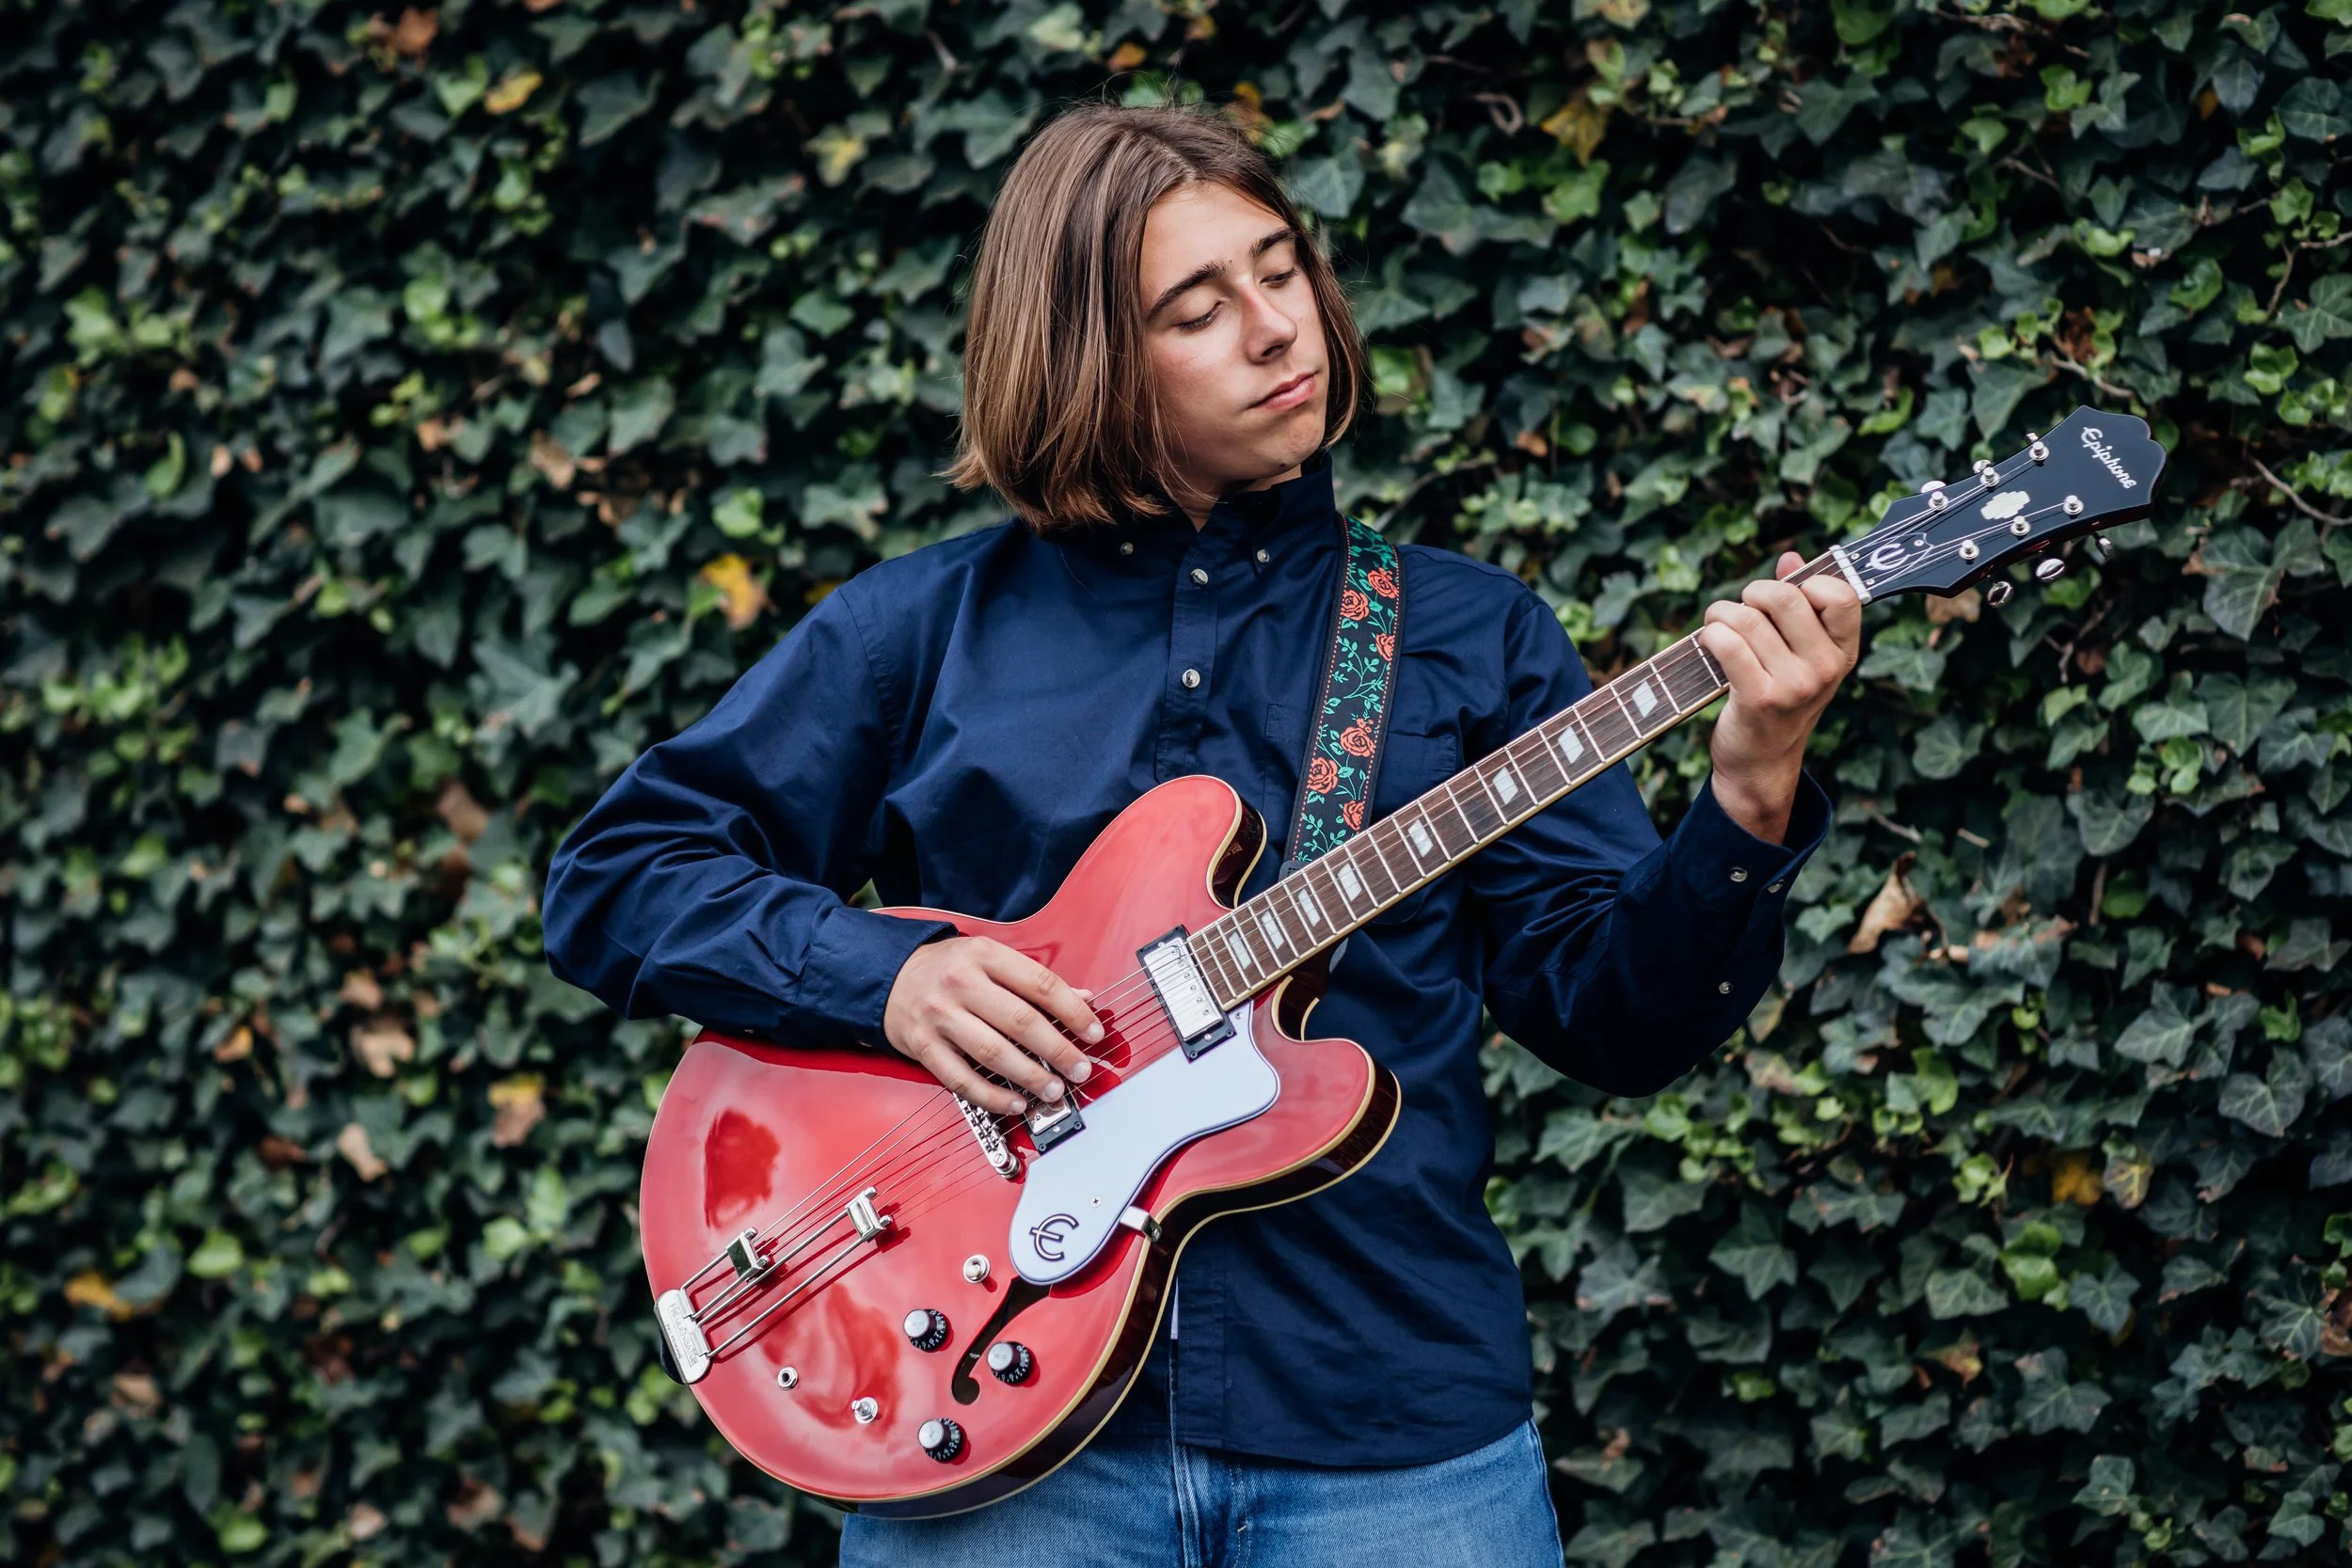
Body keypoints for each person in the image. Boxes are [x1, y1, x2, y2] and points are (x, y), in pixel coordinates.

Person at [542, 99, 1860, 1568]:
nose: (1277, 326)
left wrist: (1751, 785)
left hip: (1391, 1439)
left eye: (1282, 269)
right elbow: (615, 874)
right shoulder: (922, 632)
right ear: (1092, 355)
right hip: (998, 1448)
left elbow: (1618, 1018)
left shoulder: (1465, 637)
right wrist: (889, 979)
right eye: (1200, 305)